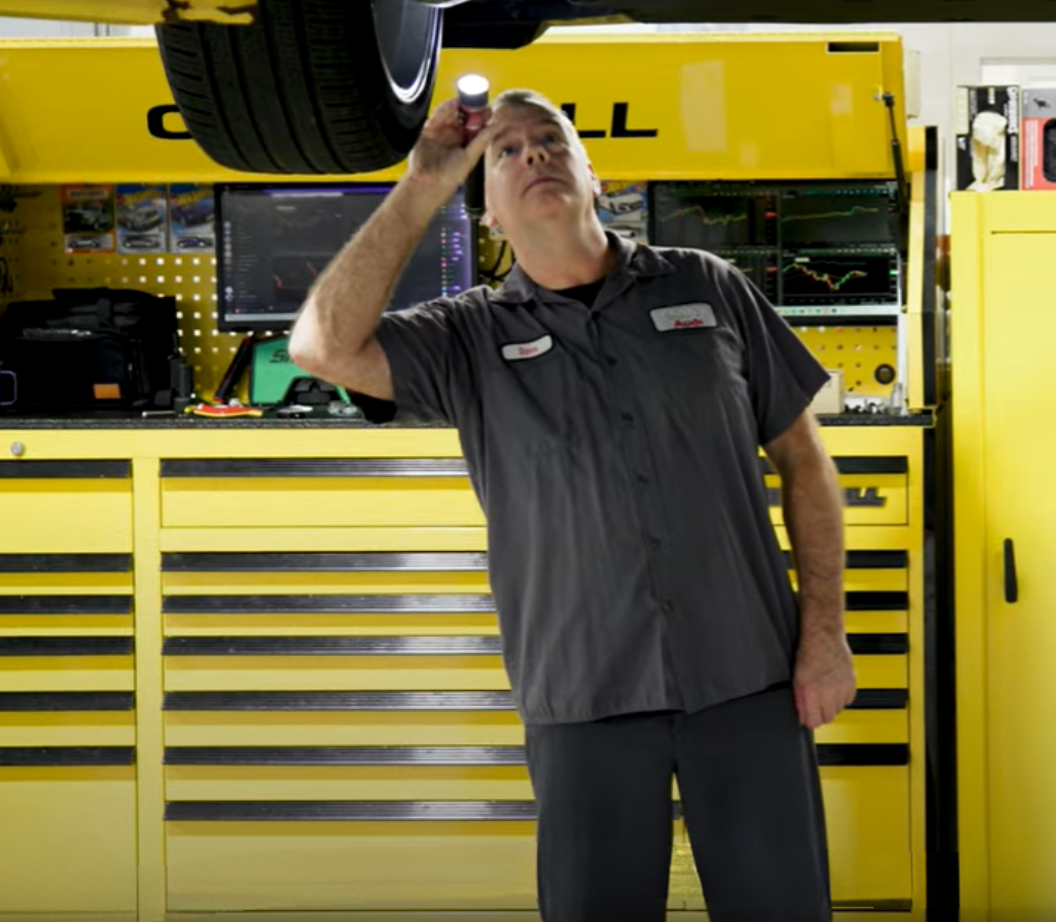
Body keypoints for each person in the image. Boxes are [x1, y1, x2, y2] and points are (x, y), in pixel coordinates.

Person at [288, 89, 855, 921]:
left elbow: (804, 460)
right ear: (486, 215)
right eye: (505, 153)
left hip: (749, 677)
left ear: (597, 174)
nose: (532, 158)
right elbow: (322, 346)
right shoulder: (465, 337)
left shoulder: (708, 287)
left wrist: (825, 636)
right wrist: (422, 182)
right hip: (582, 693)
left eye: (549, 140)